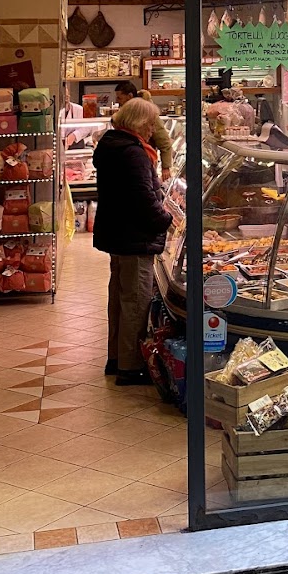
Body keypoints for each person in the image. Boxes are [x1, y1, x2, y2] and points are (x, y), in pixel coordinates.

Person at [92, 97, 173, 385]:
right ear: (139, 123)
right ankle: (131, 366)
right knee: (136, 301)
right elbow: (142, 199)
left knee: (119, 298)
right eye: (150, 123)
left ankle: (116, 358)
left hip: (118, 233)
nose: (153, 129)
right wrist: (166, 220)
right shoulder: (134, 153)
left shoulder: (112, 144)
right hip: (134, 236)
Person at [114, 80, 173, 179]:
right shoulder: (127, 113)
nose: (117, 101)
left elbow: (164, 141)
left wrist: (165, 167)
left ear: (129, 96)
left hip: (144, 162)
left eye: (119, 98)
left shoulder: (147, 112)